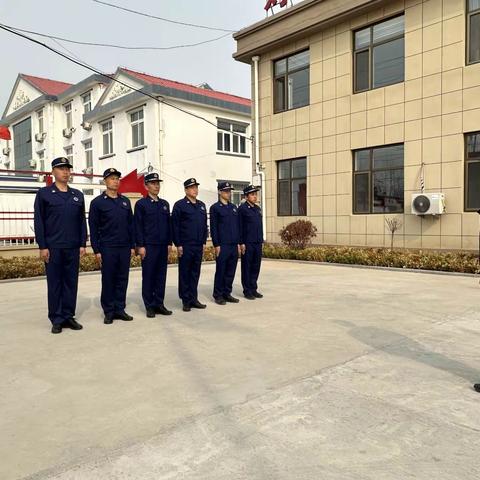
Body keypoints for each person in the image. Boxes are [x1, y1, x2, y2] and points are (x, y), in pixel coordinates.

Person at [34, 157, 87, 334]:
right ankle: (56, 318)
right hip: (53, 247)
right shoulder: (45, 194)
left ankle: (68, 315)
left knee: (71, 282)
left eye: (67, 169)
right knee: (55, 283)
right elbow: (39, 221)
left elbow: (81, 222)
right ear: (53, 172)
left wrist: (82, 243)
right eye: (61, 168)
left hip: (72, 247)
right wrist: (43, 246)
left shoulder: (77, 195)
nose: (65, 172)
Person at [88, 168, 135, 324]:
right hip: (107, 247)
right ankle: (109, 311)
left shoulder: (125, 201)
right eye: (112, 178)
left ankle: (120, 308)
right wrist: (97, 250)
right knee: (108, 279)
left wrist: (132, 245)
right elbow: (93, 228)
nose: (115, 181)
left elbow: (131, 225)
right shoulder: (97, 203)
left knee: (122, 279)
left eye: (117, 178)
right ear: (105, 181)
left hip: (124, 247)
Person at [134, 172, 173, 318]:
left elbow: (168, 225)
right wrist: (140, 245)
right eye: (153, 183)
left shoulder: (164, 204)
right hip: (149, 246)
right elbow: (138, 226)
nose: (156, 186)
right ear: (146, 186)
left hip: (163, 245)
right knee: (149, 276)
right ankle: (149, 305)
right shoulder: (141, 204)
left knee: (161, 276)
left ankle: (159, 303)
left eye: (158, 183)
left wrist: (169, 242)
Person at [171, 178, 208, 312]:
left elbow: (204, 226)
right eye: (192, 188)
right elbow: (175, 226)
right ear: (186, 190)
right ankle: (186, 300)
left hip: (198, 245)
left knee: (195, 273)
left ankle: (194, 298)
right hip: (185, 245)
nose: (195, 190)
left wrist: (204, 242)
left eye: (196, 187)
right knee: (185, 273)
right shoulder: (179, 205)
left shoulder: (201, 205)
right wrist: (178, 244)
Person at [209, 181, 241, 305]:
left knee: (230, 271)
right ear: (219, 192)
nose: (228, 193)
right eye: (226, 191)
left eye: (229, 191)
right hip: (222, 245)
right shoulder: (215, 208)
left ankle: (227, 293)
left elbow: (237, 226)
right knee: (221, 270)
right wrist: (216, 244)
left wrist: (238, 243)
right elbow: (214, 228)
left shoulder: (233, 207)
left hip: (233, 244)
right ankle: (218, 294)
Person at [238, 185, 264, 300]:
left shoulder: (257, 208)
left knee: (256, 266)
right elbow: (240, 227)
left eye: (255, 194)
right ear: (247, 196)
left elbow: (259, 226)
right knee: (247, 267)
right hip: (247, 242)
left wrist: (261, 240)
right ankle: (247, 290)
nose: (255, 196)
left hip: (257, 242)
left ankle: (254, 288)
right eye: (252, 194)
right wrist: (241, 242)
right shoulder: (242, 209)